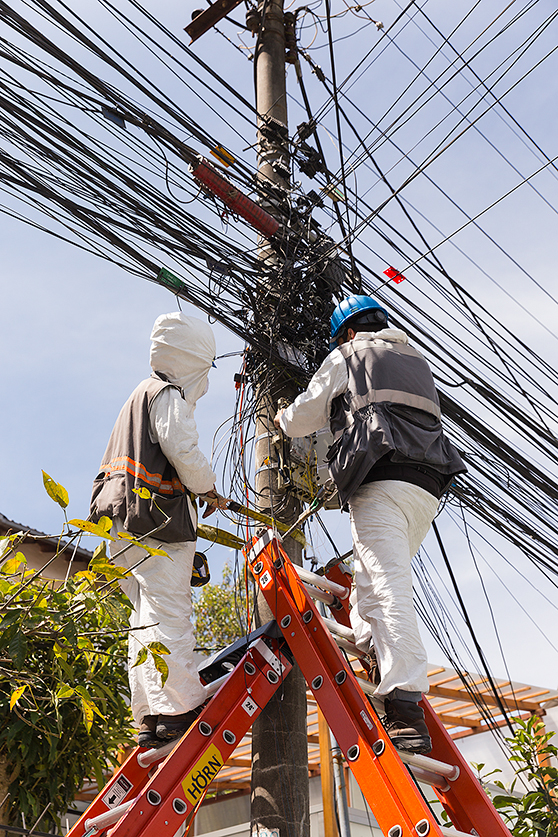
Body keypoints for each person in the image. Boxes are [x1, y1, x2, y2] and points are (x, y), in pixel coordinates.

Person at [274, 295, 466, 754]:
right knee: (371, 579)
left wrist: (282, 415)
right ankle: (376, 652)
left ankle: (404, 706)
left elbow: (303, 418)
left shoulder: (349, 354)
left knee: (385, 585)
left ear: (347, 332)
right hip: (426, 489)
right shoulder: (415, 360)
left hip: (381, 479)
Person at [90, 312, 224, 749]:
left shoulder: (135, 397)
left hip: (122, 526)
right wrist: (208, 488)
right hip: (158, 524)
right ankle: (178, 708)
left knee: (144, 622)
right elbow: (181, 445)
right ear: (191, 362)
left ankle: (149, 717)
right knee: (169, 614)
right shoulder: (166, 394)